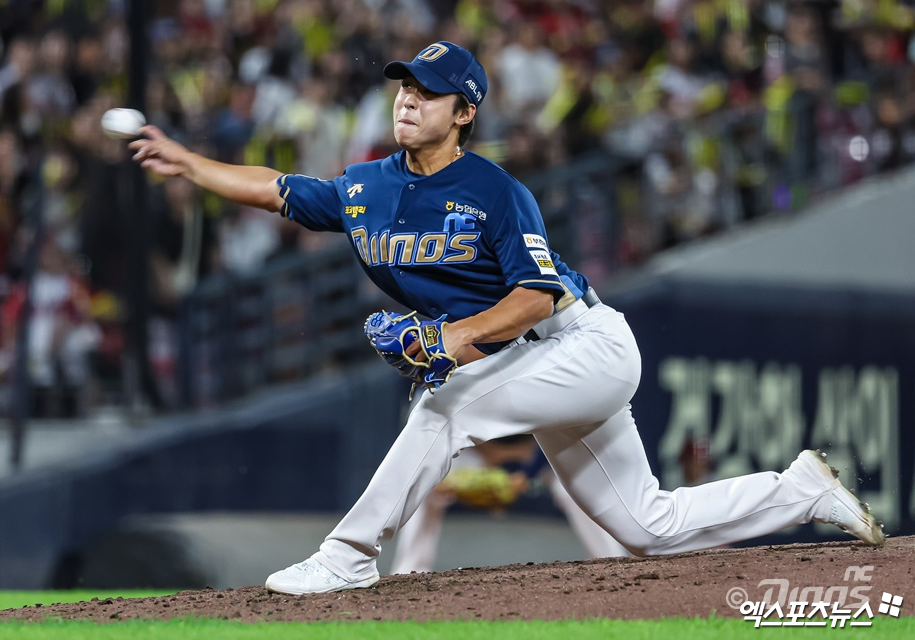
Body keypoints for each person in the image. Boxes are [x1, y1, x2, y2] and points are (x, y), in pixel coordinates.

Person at [129, 40, 885, 596]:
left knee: (446, 403)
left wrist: (450, 340)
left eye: (425, 92)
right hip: (527, 363)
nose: (406, 100)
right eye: (402, 87)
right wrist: (192, 165)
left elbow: (534, 295)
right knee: (646, 528)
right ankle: (802, 491)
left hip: (581, 343)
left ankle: (350, 553)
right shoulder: (365, 189)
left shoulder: (494, 191)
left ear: (464, 112)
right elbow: (276, 189)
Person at [390, 437, 629, 575]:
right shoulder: (454, 363)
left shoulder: (538, 357)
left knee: (579, 485)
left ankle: (612, 564)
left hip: (538, 447)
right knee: (425, 484)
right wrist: (491, 454)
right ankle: (410, 571)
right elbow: (440, 425)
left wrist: (527, 475)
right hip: (474, 445)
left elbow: (558, 428)